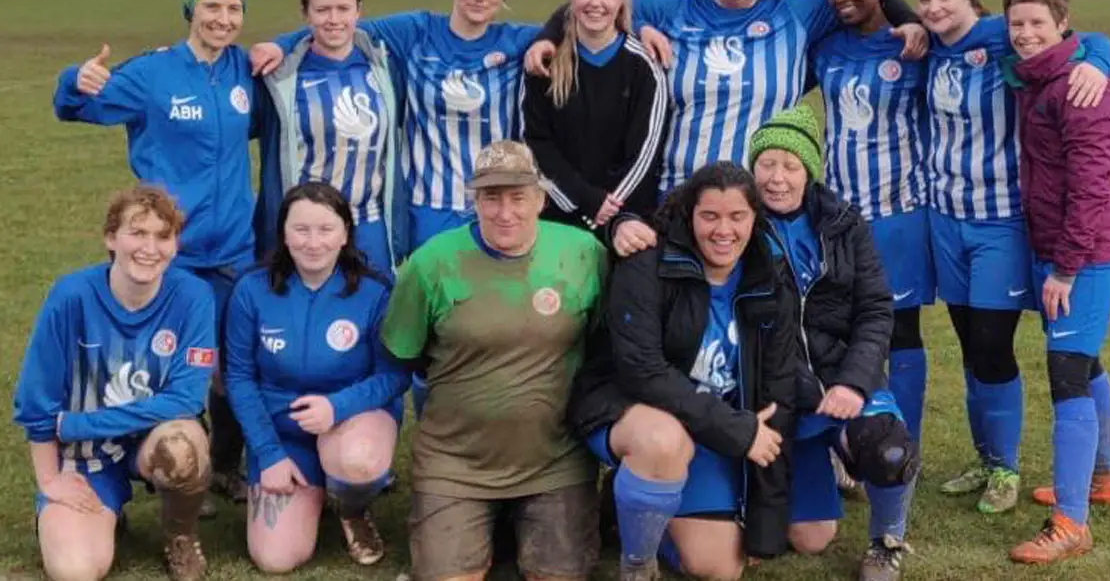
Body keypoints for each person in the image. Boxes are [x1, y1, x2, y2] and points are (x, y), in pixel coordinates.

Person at [252, 0, 543, 416]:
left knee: (491, 321)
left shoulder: (517, 39)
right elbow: (338, 27)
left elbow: (578, 24)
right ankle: (426, 431)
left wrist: (554, 41)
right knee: (420, 328)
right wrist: (280, 44)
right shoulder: (414, 31)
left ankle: (493, 422)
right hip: (426, 207)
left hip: (493, 210)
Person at [914, 0, 1110, 514]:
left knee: (991, 345)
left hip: (1001, 219)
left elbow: (1086, 39)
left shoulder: (1003, 35)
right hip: (944, 217)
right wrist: (908, 23)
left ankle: (1005, 468)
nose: (934, 7)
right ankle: (985, 457)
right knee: (967, 348)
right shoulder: (923, 45)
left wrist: (1099, 61)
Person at [526, 0, 927, 200]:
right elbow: (594, 2)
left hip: (762, 197)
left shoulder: (796, 13)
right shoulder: (673, 10)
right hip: (678, 192)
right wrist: (553, 35)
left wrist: (908, 19)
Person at [52, 0, 257, 510]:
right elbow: (77, 106)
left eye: (234, 9)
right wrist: (76, 81)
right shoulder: (152, 74)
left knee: (235, 364)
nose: (223, 18)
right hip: (171, 253)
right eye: (212, 6)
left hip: (235, 251)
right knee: (180, 362)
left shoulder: (244, 70)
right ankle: (181, 467)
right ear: (192, 10)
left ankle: (226, 465)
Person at [379, 140, 609, 581]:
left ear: (541, 199)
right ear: (475, 201)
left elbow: (602, 345)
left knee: (558, 574)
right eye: (491, 197)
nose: (505, 212)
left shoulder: (584, 253)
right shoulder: (430, 264)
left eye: (518, 196)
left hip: (554, 462)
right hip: (456, 464)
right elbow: (402, 354)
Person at [570, 161, 809, 581]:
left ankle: (635, 504)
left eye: (737, 217)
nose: (723, 231)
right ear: (689, 214)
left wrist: (764, 525)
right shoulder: (648, 264)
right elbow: (641, 372)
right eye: (709, 216)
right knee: (664, 442)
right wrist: (737, 430)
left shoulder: (769, 275)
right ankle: (637, 564)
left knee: (719, 567)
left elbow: (779, 392)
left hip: (713, 425)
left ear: (755, 218)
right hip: (629, 408)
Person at [748, 106, 919, 581]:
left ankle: (886, 542)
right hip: (780, 391)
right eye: (766, 164)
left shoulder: (845, 224)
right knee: (811, 538)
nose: (776, 179)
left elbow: (876, 310)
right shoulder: (737, 223)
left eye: (790, 166)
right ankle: (821, 456)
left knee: (886, 448)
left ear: (810, 171)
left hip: (840, 375)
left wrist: (853, 382)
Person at [13, 185, 216, 581]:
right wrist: (50, 480)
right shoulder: (70, 295)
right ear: (111, 238)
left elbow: (186, 398)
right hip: (86, 453)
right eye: (137, 233)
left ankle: (180, 535)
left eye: (163, 236)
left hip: (151, 438)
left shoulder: (194, 296)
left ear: (175, 244)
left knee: (183, 446)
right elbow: (36, 399)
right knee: (74, 570)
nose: (150, 248)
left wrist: (76, 425)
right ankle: (105, 511)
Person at [1000, 0, 1110, 564]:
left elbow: (1092, 186)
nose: (1025, 34)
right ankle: (1102, 478)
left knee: (1067, 373)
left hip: (1087, 253)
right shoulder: (1035, 76)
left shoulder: (1083, 88)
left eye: (1037, 24)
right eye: (1017, 24)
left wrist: (1067, 267)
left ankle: (1071, 523)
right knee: (1086, 359)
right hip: (1055, 246)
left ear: (1061, 26)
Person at [224, 182, 405, 571]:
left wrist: (336, 407)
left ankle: (352, 509)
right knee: (275, 558)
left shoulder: (374, 292)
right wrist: (268, 454)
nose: (313, 242)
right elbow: (238, 378)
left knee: (357, 460)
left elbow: (394, 376)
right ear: (283, 234)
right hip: (282, 434)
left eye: (325, 229)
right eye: (301, 229)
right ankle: (313, 488)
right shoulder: (250, 290)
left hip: (352, 422)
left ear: (345, 234)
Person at [807, 0, 936, 449]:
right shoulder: (824, 48)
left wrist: (915, 21)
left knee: (900, 333)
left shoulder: (917, 45)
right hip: (838, 219)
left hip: (900, 213)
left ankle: (902, 443)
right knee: (835, 331)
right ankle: (844, 441)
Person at [255, 0, 407, 281]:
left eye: (343, 8)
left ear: (358, 11)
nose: (334, 19)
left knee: (375, 321)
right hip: (308, 231)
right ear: (306, 13)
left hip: (370, 224)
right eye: (323, 10)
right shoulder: (280, 75)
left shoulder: (384, 66)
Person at [522, 0, 668, 232]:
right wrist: (585, 201)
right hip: (558, 216)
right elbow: (536, 143)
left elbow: (645, 153)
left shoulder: (644, 67)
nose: (595, 2)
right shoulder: (544, 62)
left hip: (625, 219)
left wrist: (608, 210)